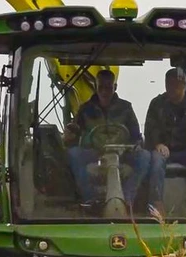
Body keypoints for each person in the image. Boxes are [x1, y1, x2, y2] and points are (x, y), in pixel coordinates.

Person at [64, 69, 151, 210]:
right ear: (95, 86)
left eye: (108, 88)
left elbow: (136, 136)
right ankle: (90, 200)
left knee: (145, 156)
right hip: (94, 152)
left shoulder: (126, 108)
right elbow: (75, 133)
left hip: (122, 153)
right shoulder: (85, 109)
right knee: (73, 154)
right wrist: (69, 135)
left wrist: (134, 146)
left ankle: (128, 198)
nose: (104, 92)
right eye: (101, 87)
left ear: (115, 87)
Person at [144, 67, 186, 214]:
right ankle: (156, 204)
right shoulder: (157, 103)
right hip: (163, 151)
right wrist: (158, 143)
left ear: (184, 85)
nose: (172, 88)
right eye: (169, 84)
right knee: (155, 159)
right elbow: (150, 129)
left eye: (176, 85)